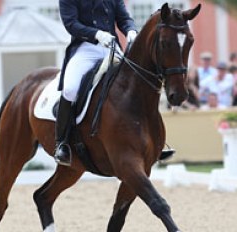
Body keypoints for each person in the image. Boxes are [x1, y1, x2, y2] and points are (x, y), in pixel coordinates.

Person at [55, 0, 174, 166]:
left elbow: (124, 18)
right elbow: (71, 23)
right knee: (70, 89)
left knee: (139, 82)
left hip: (111, 47)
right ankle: (63, 143)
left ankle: (155, 140)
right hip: (86, 47)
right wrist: (96, 34)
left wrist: (131, 31)